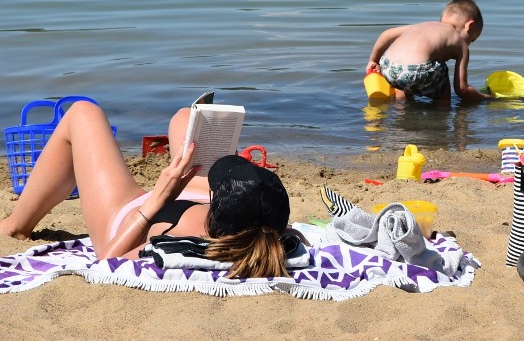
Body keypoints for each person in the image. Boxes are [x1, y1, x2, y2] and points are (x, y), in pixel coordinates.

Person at [0, 101, 302, 278]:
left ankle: (16, 226)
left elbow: (107, 261)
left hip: (131, 215)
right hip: (192, 201)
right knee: (189, 115)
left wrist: (161, 196)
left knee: (82, 112)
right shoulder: (271, 230)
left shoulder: (179, 245)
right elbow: (290, 231)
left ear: (217, 204)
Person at [366, 0, 491, 104]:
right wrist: (485, 97)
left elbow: (386, 34)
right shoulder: (461, 44)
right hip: (415, 72)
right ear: (469, 26)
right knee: (441, 70)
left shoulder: (421, 26)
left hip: (388, 67)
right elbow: (462, 90)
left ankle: (401, 106)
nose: (468, 44)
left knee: (407, 72)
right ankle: (441, 110)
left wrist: (373, 60)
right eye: (472, 40)